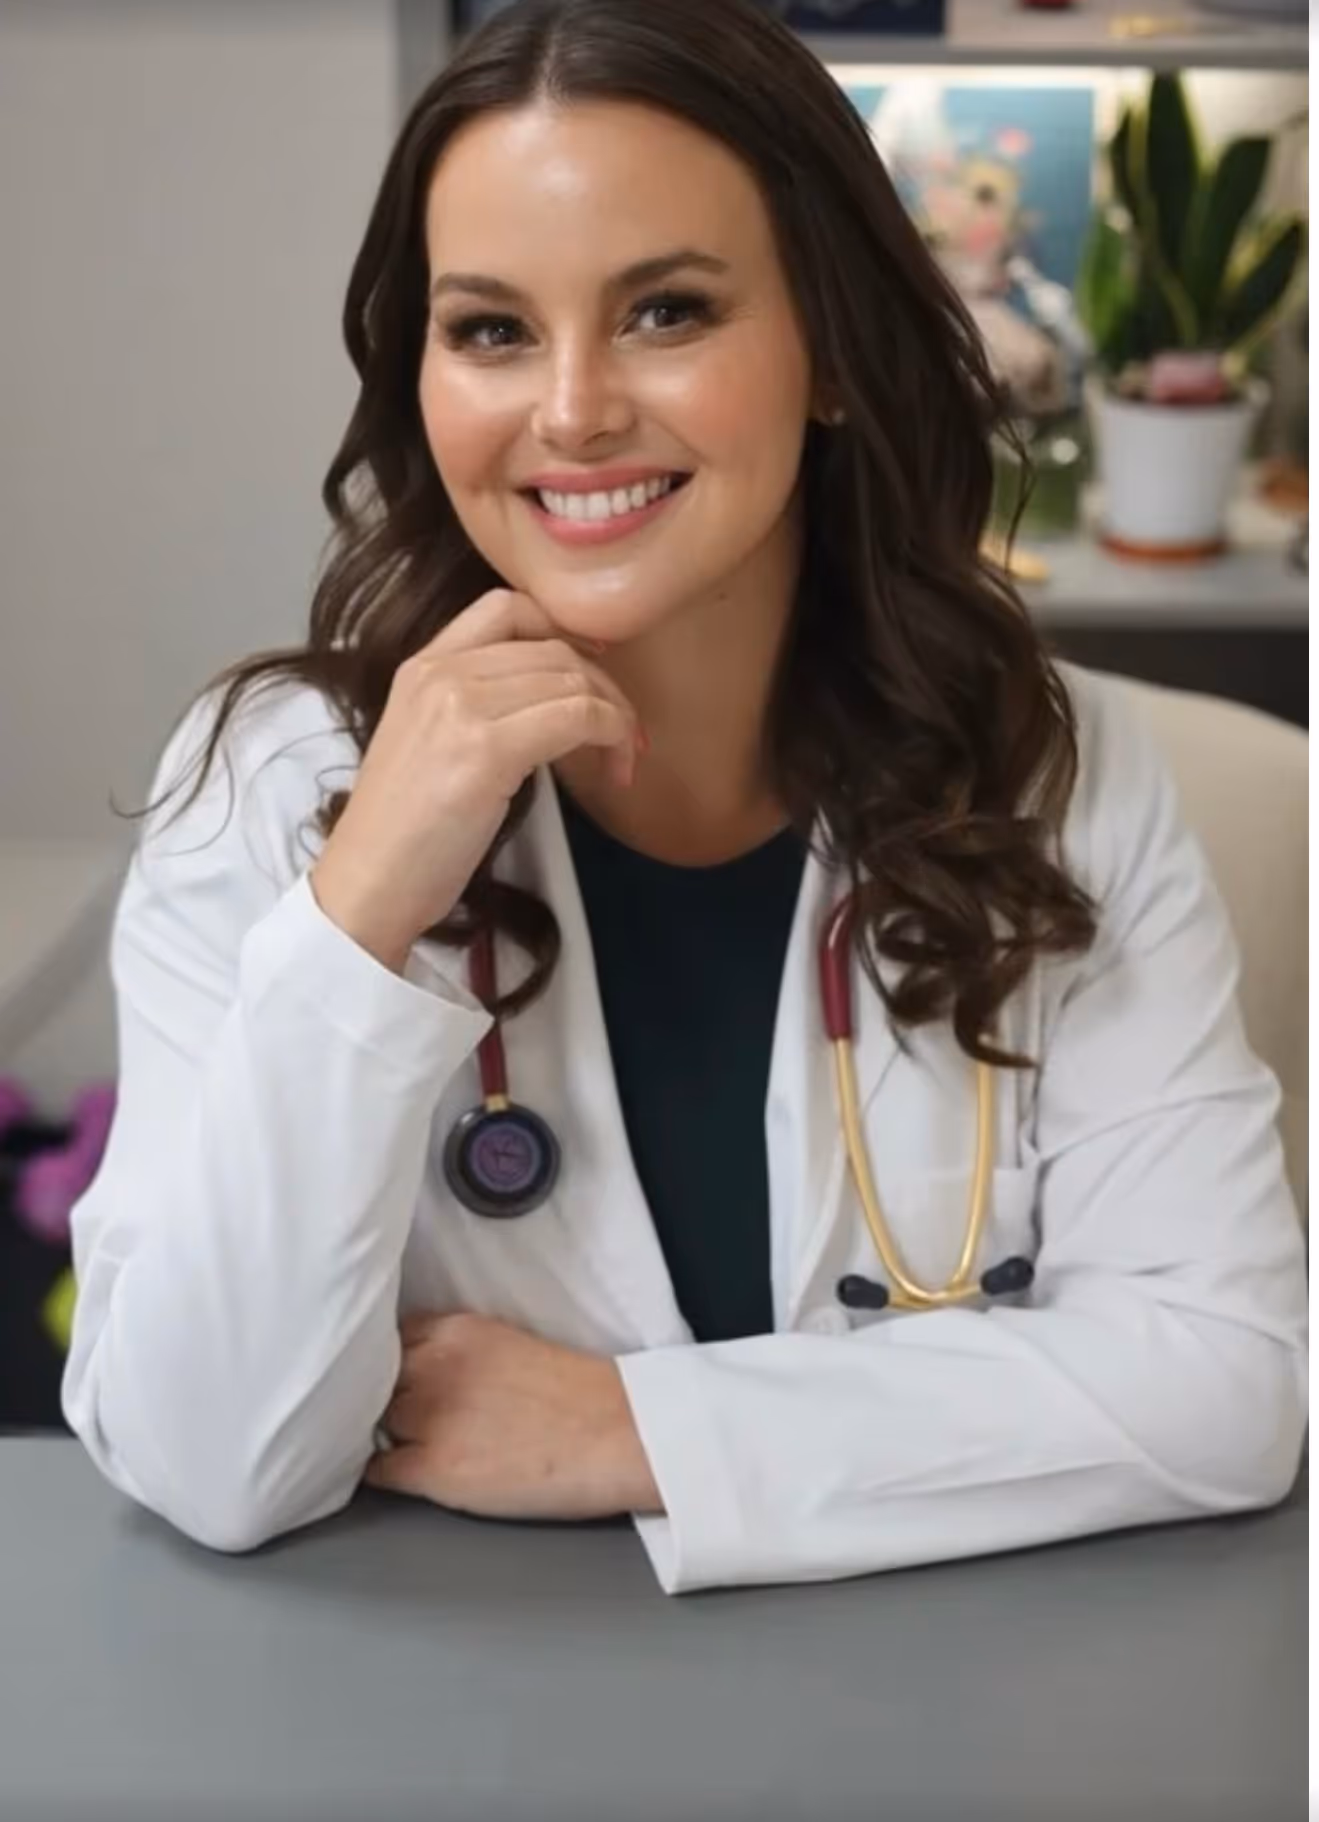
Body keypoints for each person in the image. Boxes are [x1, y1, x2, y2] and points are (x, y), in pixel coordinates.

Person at [61, 0, 1306, 1595]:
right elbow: (204, 1458)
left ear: (834, 354)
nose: (570, 411)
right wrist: (358, 910)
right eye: (491, 330)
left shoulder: (1055, 777)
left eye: (665, 311)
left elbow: (1221, 1377)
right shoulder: (272, 784)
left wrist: (634, 1426)